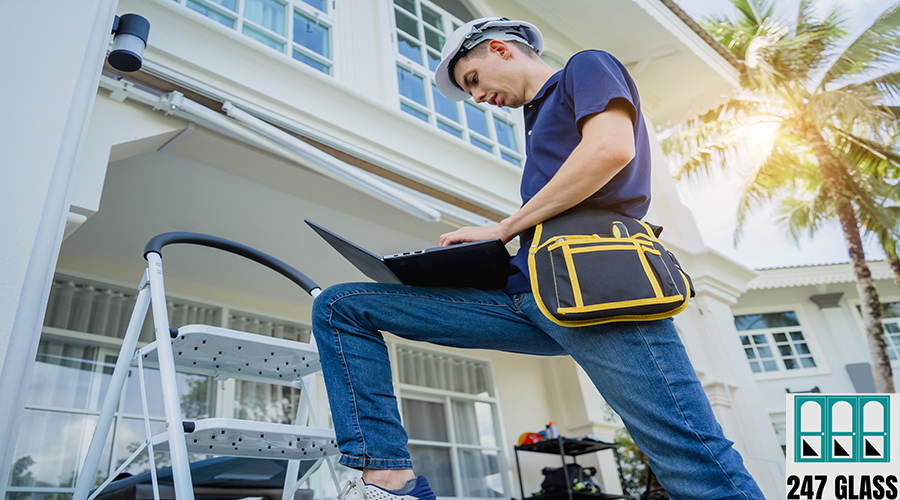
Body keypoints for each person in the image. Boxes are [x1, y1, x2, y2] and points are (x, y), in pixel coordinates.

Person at [311, 17, 766, 500]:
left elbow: (611, 149)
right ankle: (387, 477)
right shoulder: (536, 121)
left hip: (597, 288)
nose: (478, 97)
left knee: (692, 460)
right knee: (344, 306)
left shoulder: (586, 68)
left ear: (502, 49)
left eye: (473, 80)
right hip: (527, 297)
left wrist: (504, 228)